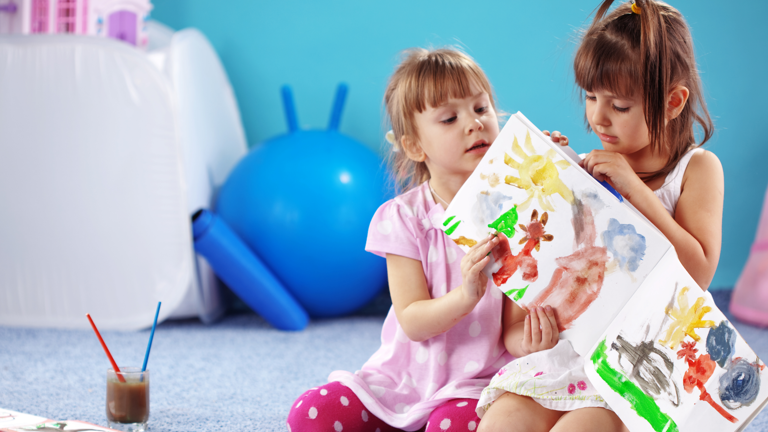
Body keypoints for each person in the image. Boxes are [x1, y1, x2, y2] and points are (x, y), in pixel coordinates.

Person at [476, 1, 724, 431]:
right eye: (591, 97)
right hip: (569, 357)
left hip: (641, 364)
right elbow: (516, 325)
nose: (597, 117)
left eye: (620, 106)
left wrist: (635, 192)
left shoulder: (697, 169)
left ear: (673, 102)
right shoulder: (585, 167)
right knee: (501, 424)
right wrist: (551, 179)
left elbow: (699, 273)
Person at [286, 47, 561, 432]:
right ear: (415, 146)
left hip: (479, 382)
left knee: (449, 425)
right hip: (404, 378)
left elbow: (511, 332)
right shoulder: (403, 217)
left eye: (481, 109)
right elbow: (413, 320)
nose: (474, 124)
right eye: (449, 118)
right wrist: (467, 295)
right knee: (310, 413)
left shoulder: (520, 212)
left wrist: (556, 170)